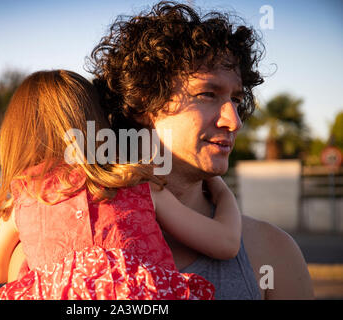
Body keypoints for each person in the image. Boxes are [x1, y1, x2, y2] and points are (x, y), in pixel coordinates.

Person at [86, 1, 314, 299]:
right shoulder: (67, 241)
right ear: (143, 102)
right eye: (208, 93)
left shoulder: (271, 252)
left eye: (235, 99)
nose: (233, 121)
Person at [0, 69, 243, 300]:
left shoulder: (26, 198)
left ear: (17, 136)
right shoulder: (137, 185)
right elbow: (227, 242)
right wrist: (221, 191)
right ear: (98, 124)